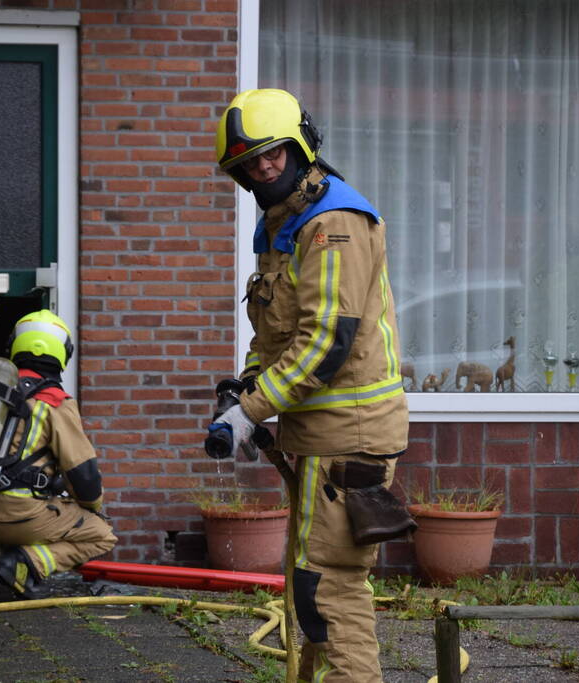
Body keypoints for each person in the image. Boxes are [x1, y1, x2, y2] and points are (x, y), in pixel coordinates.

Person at [209, 88, 411, 682]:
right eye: (251, 161)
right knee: (308, 580)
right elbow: (276, 335)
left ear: (301, 146)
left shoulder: (333, 224)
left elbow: (327, 343)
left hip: (350, 437)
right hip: (320, 436)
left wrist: (251, 410)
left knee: (330, 588)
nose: (265, 167)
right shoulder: (283, 227)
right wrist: (246, 386)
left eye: (274, 153)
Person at [0, 309, 117, 599]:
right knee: (102, 535)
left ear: (14, 347)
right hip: (19, 517)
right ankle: (23, 565)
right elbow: (83, 476)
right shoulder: (55, 402)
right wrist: (92, 506)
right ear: (63, 353)